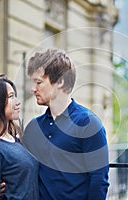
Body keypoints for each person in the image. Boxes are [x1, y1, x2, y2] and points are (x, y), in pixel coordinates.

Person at [22, 48, 110, 200]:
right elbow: (22, 171)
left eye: (39, 82)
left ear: (60, 81)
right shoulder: (33, 128)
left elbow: (98, 181)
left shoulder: (88, 124)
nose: (33, 88)